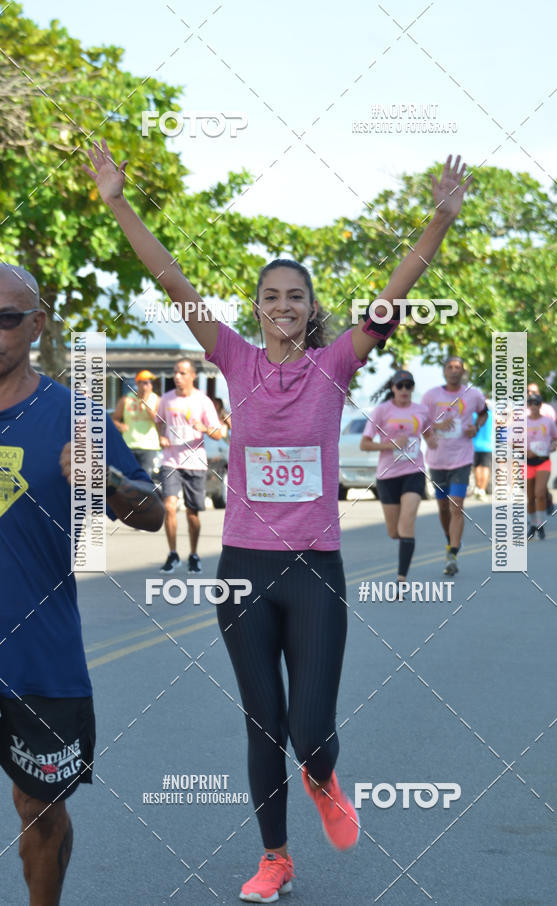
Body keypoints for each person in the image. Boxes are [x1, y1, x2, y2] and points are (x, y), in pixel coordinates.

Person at [84, 139, 471, 903]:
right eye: (272, 297)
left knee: (309, 731)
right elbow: (170, 278)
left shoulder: (336, 366)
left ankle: (323, 775)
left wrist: (440, 222)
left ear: (310, 307)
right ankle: (275, 859)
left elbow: (393, 294)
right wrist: (117, 202)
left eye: (297, 296)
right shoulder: (229, 357)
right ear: (256, 308)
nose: (284, 306)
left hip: (316, 571)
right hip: (244, 574)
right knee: (263, 725)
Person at [0, 264, 164, 906]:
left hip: (39, 653)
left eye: (7, 318)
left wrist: (107, 483)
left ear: (37, 326)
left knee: (39, 810)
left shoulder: (77, 417)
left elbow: (150, 513)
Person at [360, 369, 434, 581]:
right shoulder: (382, 411)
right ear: (393, 388)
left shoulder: (421, 410)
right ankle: (404, 541)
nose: (404, 390)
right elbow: (364, 444)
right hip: (387, 475)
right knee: (395, 532)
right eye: (400, 386)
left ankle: (401, 577)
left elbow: (429, 434)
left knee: (407, 523)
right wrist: (389, 444)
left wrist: (436, 442)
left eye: (408, 386)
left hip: (414, 471)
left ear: (412, 388)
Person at [156, 359, 225, 574]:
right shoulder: (166, 399)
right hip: (171, 461)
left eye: (182, 373)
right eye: (175, 372)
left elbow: (219, 432)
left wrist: (203, 427)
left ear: (192, 376)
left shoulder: (203, 401)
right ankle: (173, 553)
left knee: (192, 513)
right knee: (169, 507)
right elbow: (159, 421)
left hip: (195, 462)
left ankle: (193, 554)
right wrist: (161, 436)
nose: (177, 377)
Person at [421, 357, 487, 576]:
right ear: (444, 371)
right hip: (437, 460)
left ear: (463, 371)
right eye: (449, 367)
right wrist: (433, 429)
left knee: (456, 505)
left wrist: (476, 427)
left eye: (458, 367)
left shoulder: (473, 394)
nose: (453, 371)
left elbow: (484, 412)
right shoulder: (431, 396)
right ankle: (450, 540)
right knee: (443, 507)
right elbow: (419, 422)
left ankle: (453, 554)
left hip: (462, 458)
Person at [111, 369, 161, 473]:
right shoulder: (126, 399)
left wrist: (145, 401)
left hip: (149, 446)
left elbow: (157, 420)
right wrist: (120, 425)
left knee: (146, 478)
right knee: (129, 476)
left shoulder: (156, 399)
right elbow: (114, 419)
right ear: (138, 383)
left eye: (151, 382)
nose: (149, 385)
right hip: (129, 444)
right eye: (146, 382)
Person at [526, 392, 557, 540]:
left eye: (537, 403)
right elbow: (511, 440)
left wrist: (553, 446)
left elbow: (556, 438)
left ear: (541, 405)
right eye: (531, 403)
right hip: (527, 463)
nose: (534, 406)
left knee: (540, 493)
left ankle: (540, 523)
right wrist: (524, 450)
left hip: (543, 460)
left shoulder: (547, 422)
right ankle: (534, 524)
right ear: (528, 406)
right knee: (530, 497)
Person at [472, 398, 493, 500]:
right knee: (485, 467)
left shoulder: (474, 415)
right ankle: (482, 489)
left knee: (477, 467)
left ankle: (478, 487)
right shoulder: (492, 415)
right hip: (488, 446)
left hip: (475, 445)